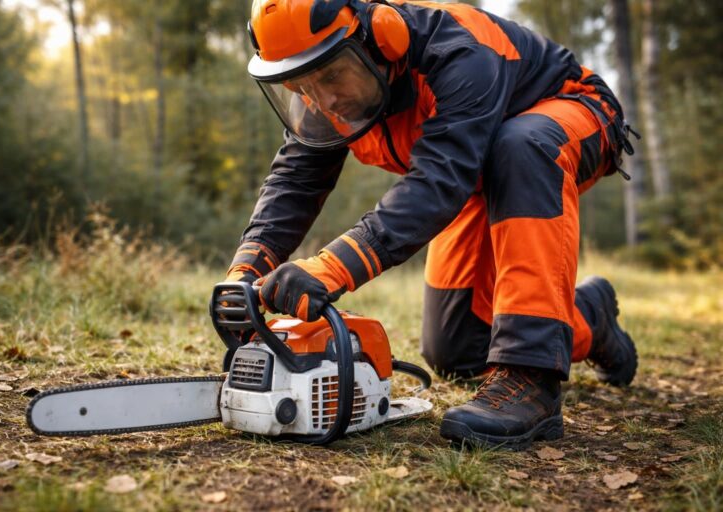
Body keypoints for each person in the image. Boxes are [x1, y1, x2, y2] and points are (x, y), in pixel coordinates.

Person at [226, 0, 638, 450]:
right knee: (458, 350)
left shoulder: (459, 53)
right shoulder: (322, 98)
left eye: (330, 75)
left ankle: (530, 378)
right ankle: (589, 318)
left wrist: (330, 267)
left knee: (523, 144)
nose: (324, 100)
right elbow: (295, 182)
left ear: (378, 38)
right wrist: (244, 273)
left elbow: (438, 183)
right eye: (300, 85)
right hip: (476, 169)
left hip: (571, 115)